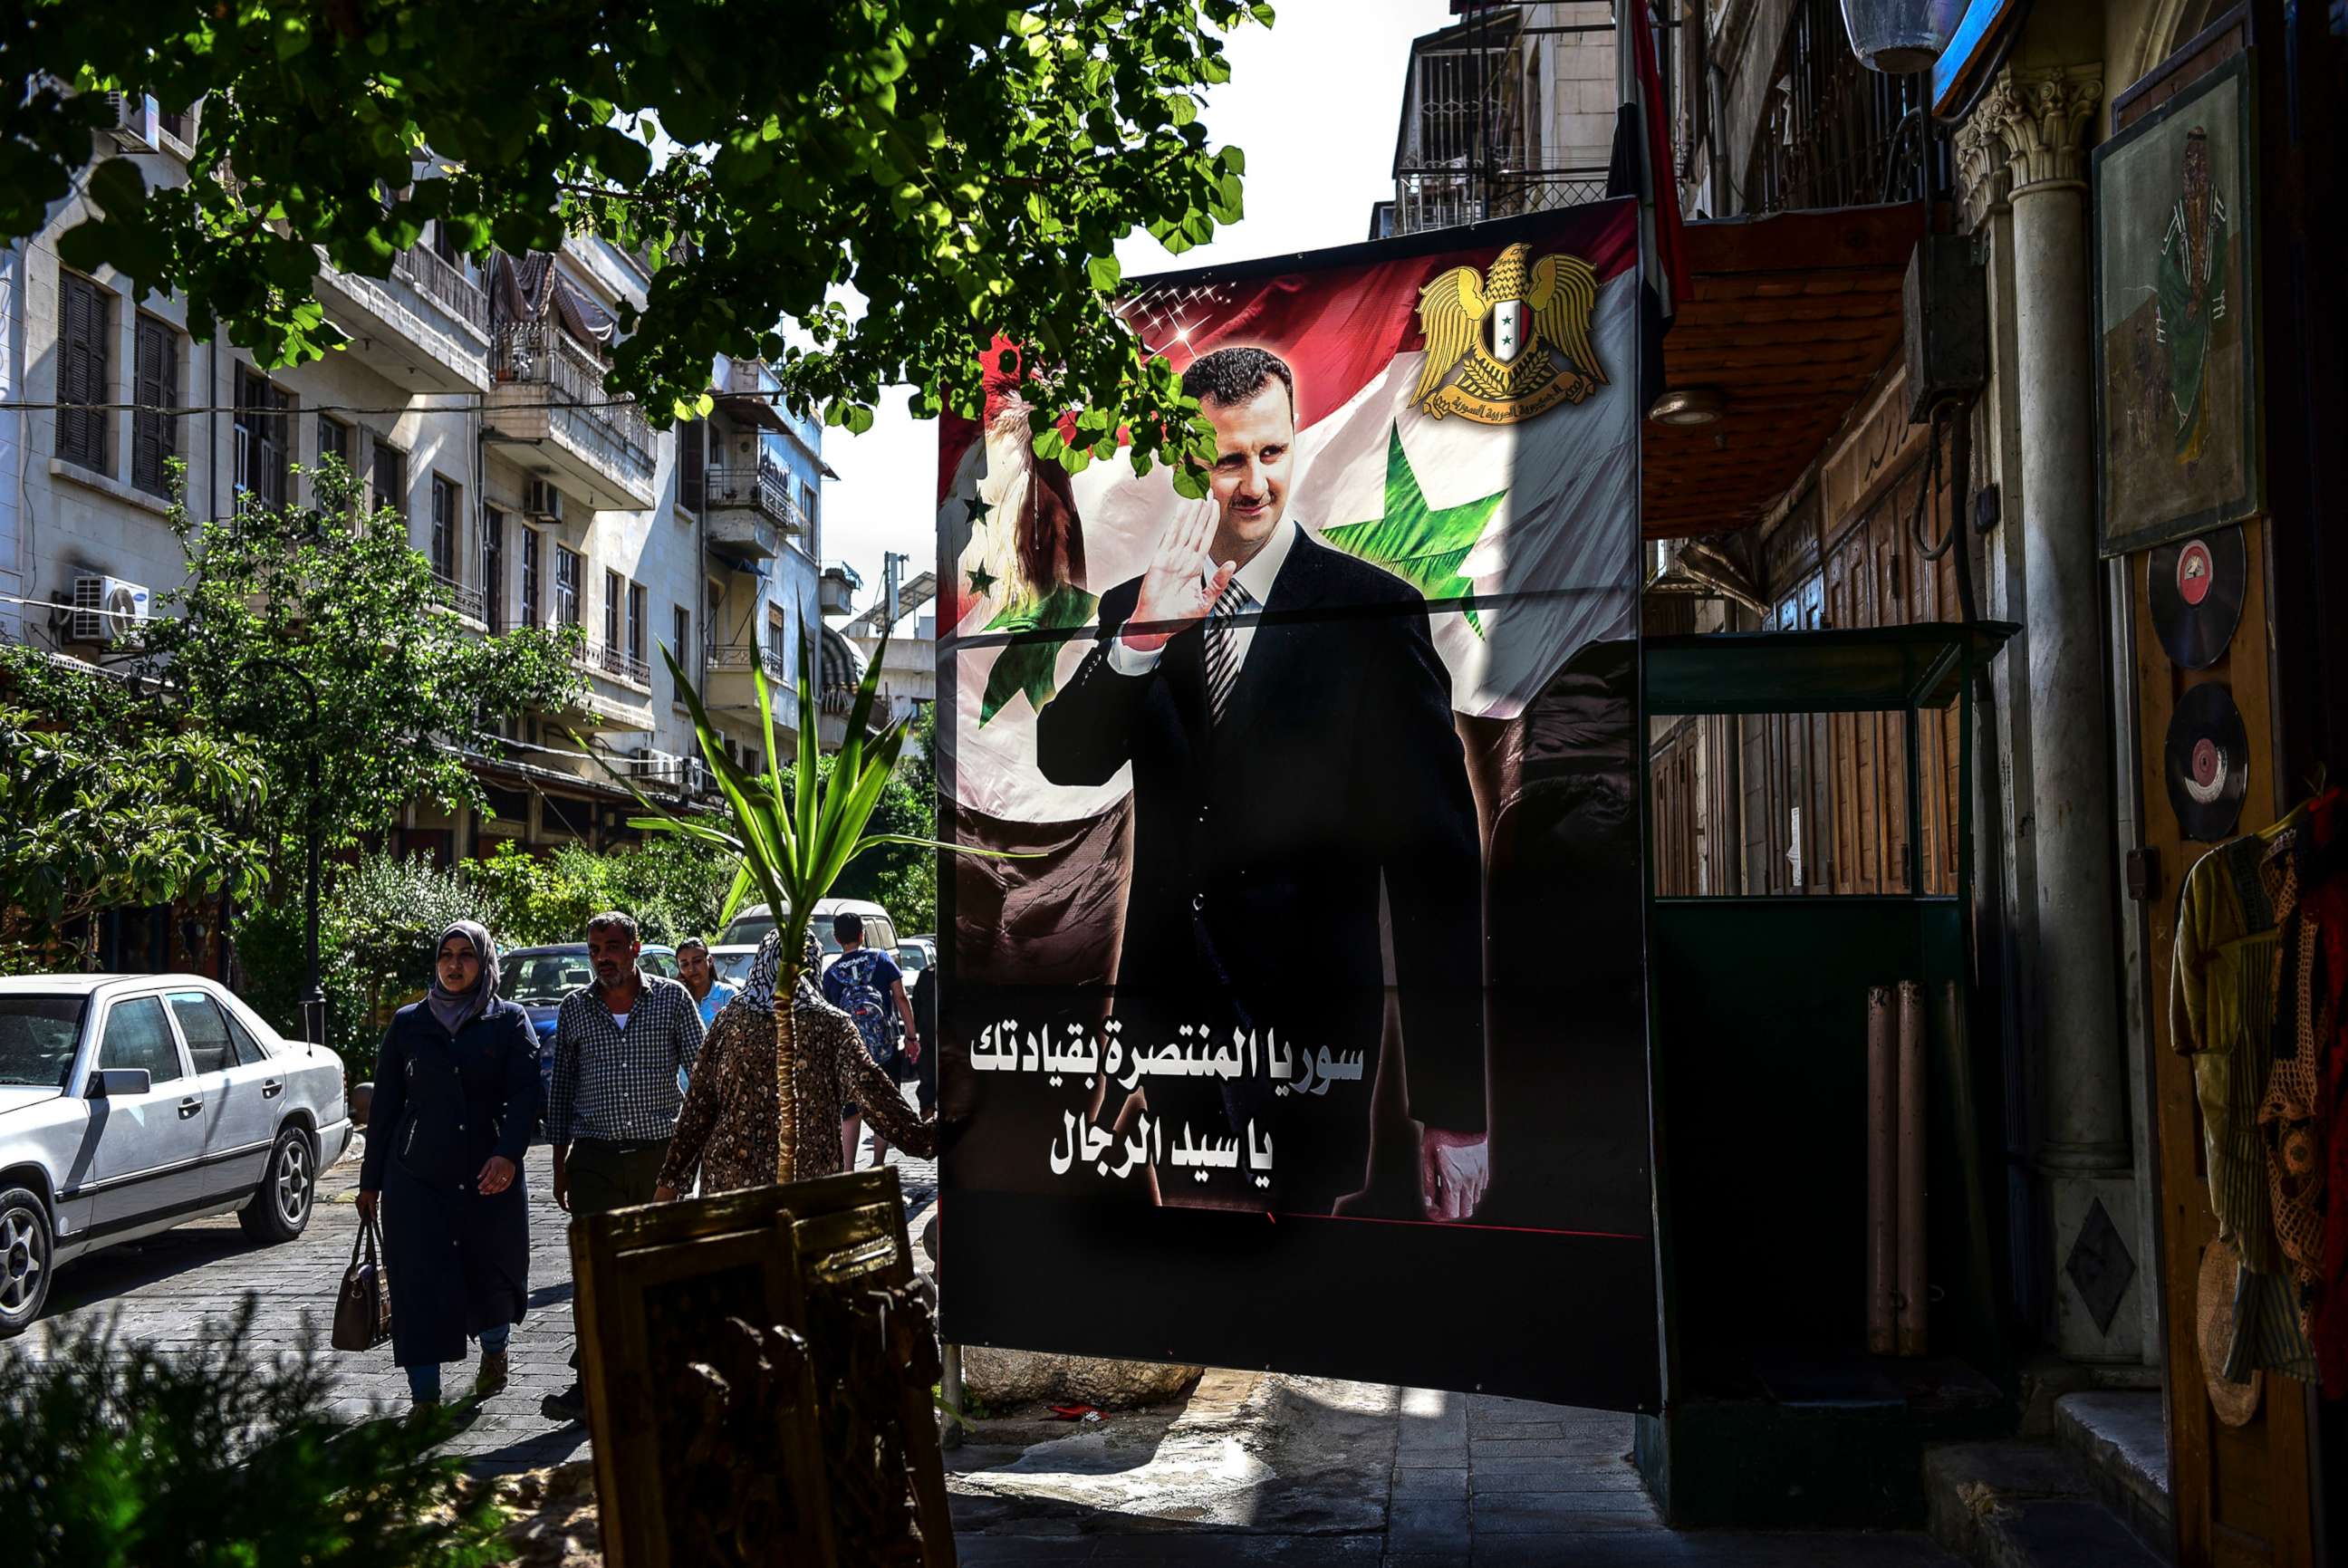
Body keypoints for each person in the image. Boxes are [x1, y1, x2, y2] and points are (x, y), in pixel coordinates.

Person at [1033, 344, 1489, 1221]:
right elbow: (1067, 758)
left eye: (1271, 453)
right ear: (1188, 464)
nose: (1253, 483)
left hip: (1313, 1044)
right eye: (1229, 459)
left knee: (1293, 1318)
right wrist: (1141, 641)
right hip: (1173, 1039)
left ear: (1294, 445)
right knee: (1205, 1301)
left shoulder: (1373, 615)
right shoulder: (1136, 604)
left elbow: (1435, 867)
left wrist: (1455, 1108)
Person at [356, 920, 538, 1411]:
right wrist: (370, 1183)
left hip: (488, 1178)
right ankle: (425, 1400)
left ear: (484, 962)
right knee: (419, 1284)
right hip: (417, 1178)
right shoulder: (409, 1024)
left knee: (492, 1275)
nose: (454, 964)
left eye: (467, 955)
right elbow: (387, 1107)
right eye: (446, 955)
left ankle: (495, 1351)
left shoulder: (508, 1021)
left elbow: (525, 1095)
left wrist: (508, 1154)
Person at [541, 909, 705, 1420]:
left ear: (635, 948)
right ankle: (592, 1384)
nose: (602, 958)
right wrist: (559, 1164)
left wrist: (691, 1156)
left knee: (657, 1271)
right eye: (594, 949)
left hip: (660, 1158)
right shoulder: (576, 1009)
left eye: (612, 946)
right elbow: (562, 1088)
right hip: (594, 1160)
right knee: (595, 1275)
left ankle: (660, 1381)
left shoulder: (672, 1000)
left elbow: (701, 1075)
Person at [655, 928, 936, 1199]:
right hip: (808, 1185)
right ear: (811, 965)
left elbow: (697, 1107)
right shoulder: (832, 1025)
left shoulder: (731, 1020)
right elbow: (875, 1095)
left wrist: (669, 1185)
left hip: (733, 1186)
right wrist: (927, 1137)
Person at [822, 912, 921, 1170]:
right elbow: (901, 998)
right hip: (884, 1050)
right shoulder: (881, 960)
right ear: (861, 934)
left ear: (836, 938)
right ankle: (877, 1163)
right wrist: (911, 1036)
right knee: (884, 1106)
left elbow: (830, 1018)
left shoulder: (831, 974)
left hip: (851, 1055)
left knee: (850, 1110)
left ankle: (848, 1169)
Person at [676, 937, 737, 1031]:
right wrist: (677, 992)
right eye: (685, 964)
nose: (691, 969)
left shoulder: (727, 994)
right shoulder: (676, 999)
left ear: (710, 960)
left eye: (697, 961)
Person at [909, 953, 938, 1119]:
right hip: (942, 1040)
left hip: (929, 1038)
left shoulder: (927, 974)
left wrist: (913, 1035)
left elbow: (916, 1010)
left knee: (928, 1081)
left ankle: (927, 1117)